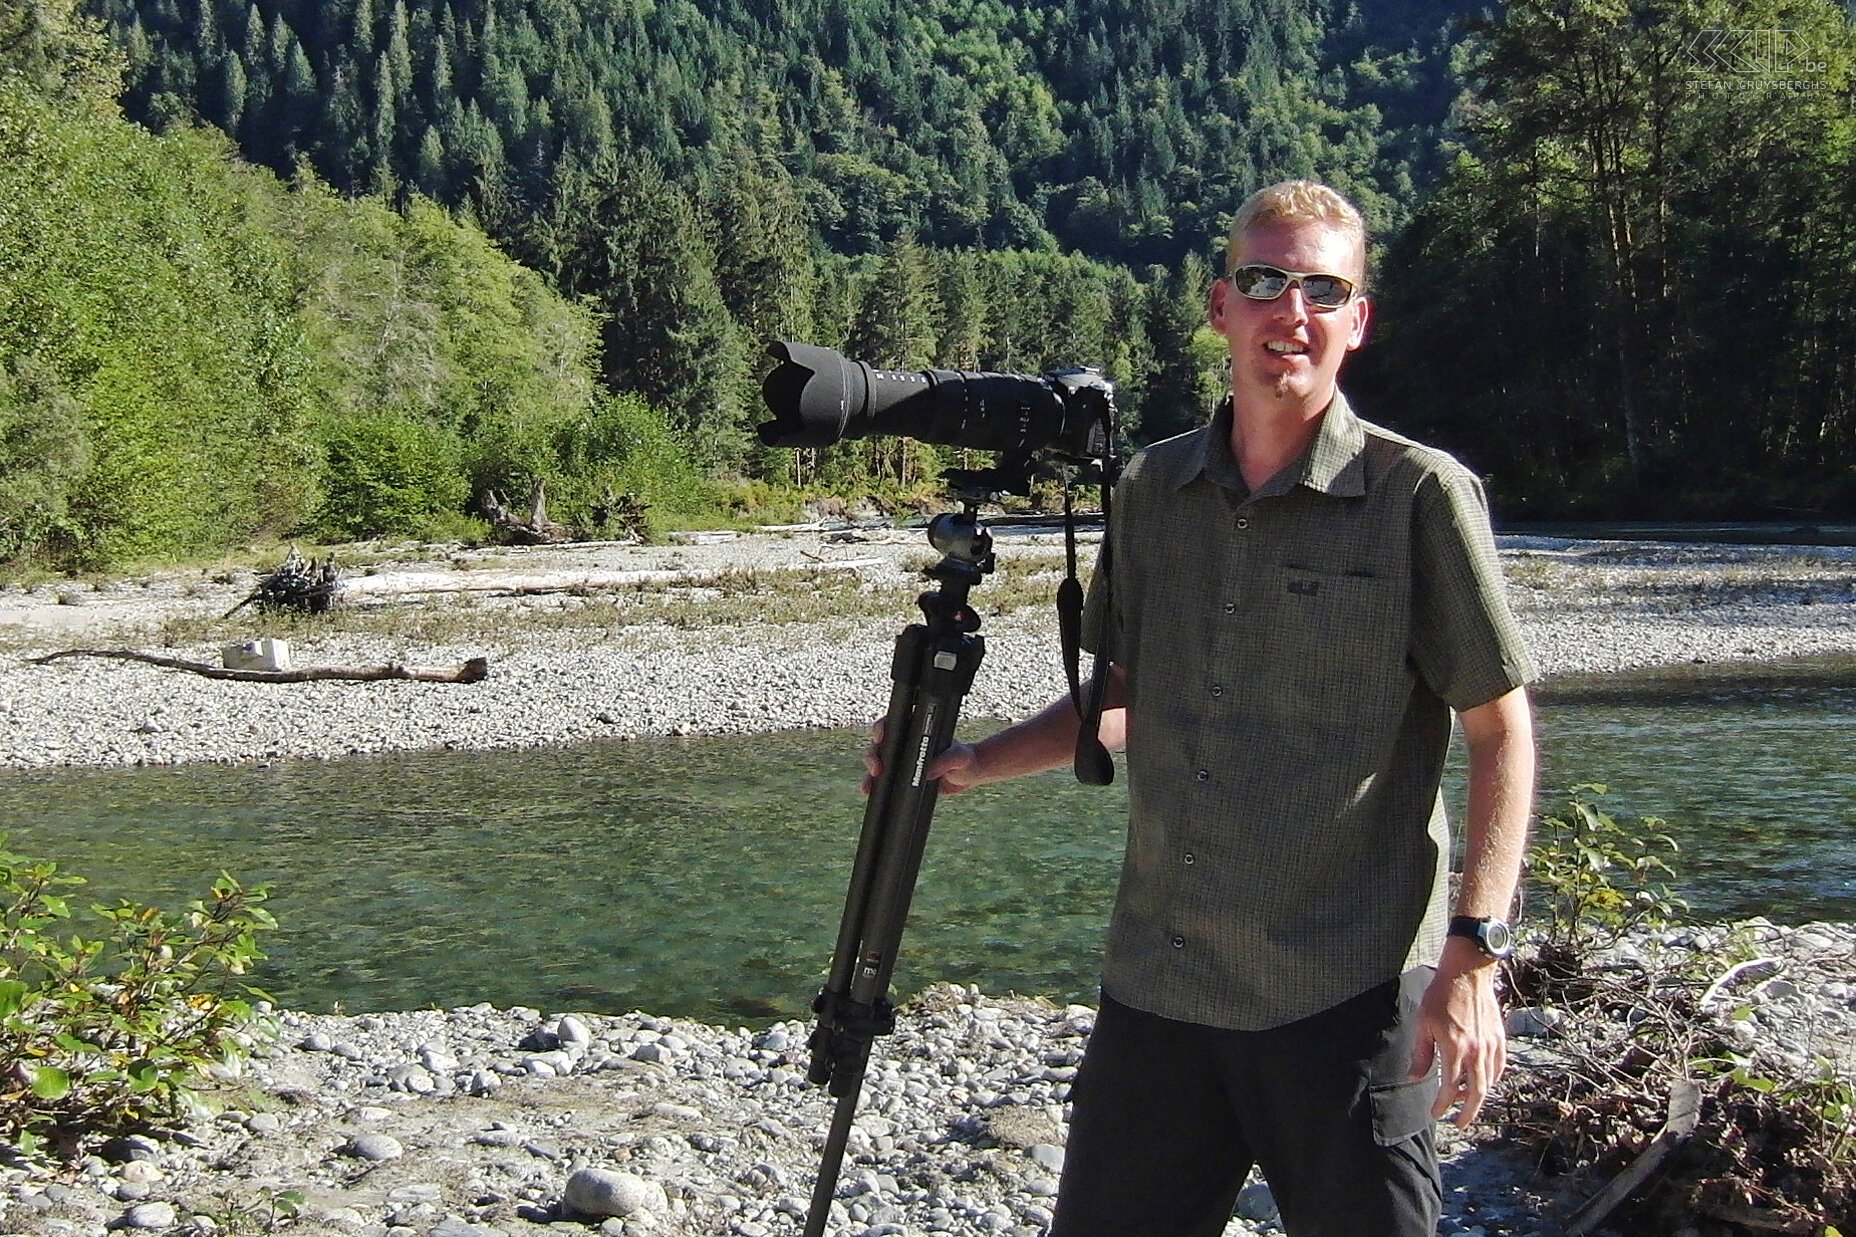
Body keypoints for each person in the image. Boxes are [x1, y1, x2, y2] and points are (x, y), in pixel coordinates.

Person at [865, 180, 1537, 1236]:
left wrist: (1473, 951)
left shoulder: (1417, 494)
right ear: (1220, 304)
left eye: (1324, 287)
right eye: (1266, 281)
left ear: (1357, 320)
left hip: (1345, 995)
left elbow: (1498, 728)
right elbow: (1125, 691)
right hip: (1160, 988)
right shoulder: (1150, 488)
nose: (1293, 311)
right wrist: (972, 762)